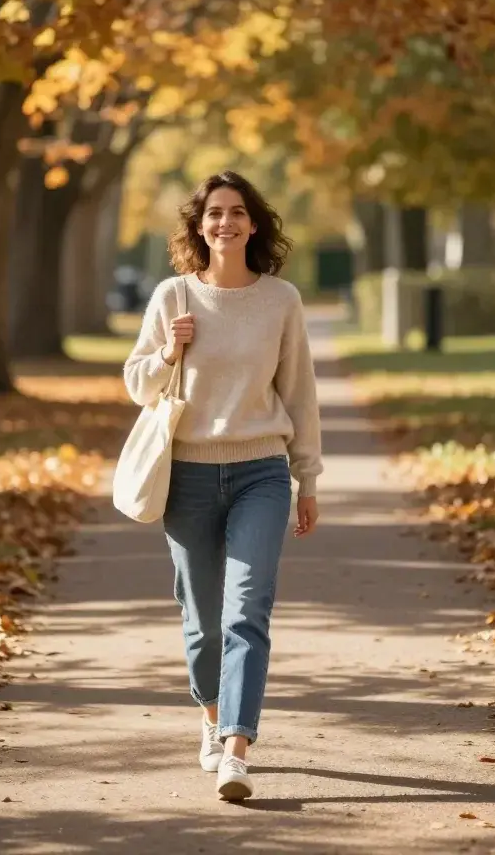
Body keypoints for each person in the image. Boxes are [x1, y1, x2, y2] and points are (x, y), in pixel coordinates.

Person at [124, 171, 322, 801]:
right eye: (214, 213)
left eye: (237, 213)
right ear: (200, 225)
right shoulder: (173, 297)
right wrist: (166, 356)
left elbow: (300, 395)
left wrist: (306, 478)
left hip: (261, 470)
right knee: (203, 617)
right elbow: (136, 384)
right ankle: (210, 718)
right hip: (188, 473)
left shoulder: (281, 300)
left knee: (246, 610)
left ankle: (237, 746)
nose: (226, 223)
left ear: (254, 224)